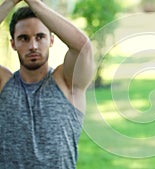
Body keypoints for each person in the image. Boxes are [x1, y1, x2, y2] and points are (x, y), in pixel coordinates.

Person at [0, 0, 94, 168]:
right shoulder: (3, 83)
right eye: (24, 38)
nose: (33, 46)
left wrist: (34, 2)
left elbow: (83, 47)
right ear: (13, 43)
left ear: (51, 40)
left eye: (40, 37)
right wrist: (11, 2)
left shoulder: (66, 82)